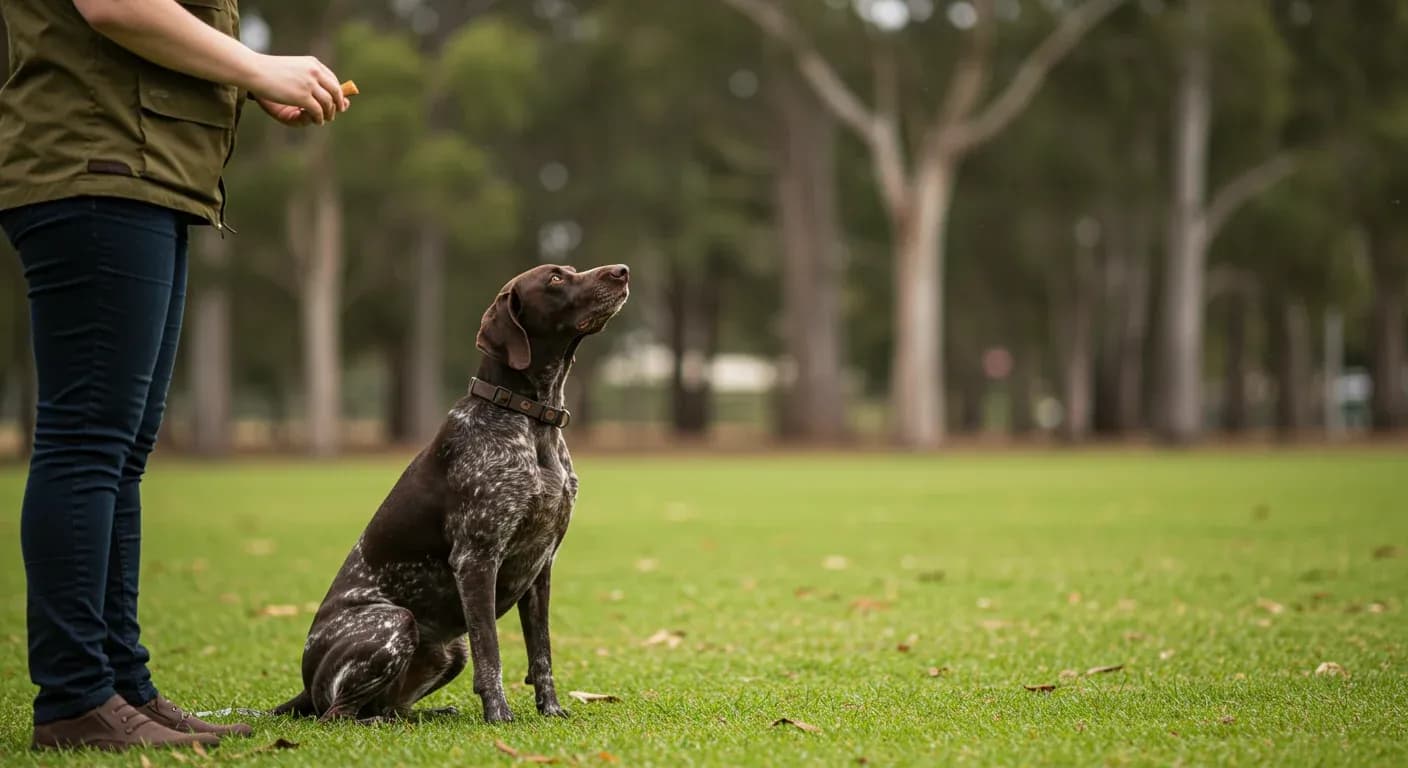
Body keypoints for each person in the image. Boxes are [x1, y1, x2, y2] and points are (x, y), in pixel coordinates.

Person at [0, 0, 350, 751]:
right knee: (88, 444)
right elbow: (117, 5)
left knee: (118, 452)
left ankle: (120, 684)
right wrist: (257, 64)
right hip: (97, 165)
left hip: (144, 170)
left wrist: (245, 82)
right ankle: (74, 696)